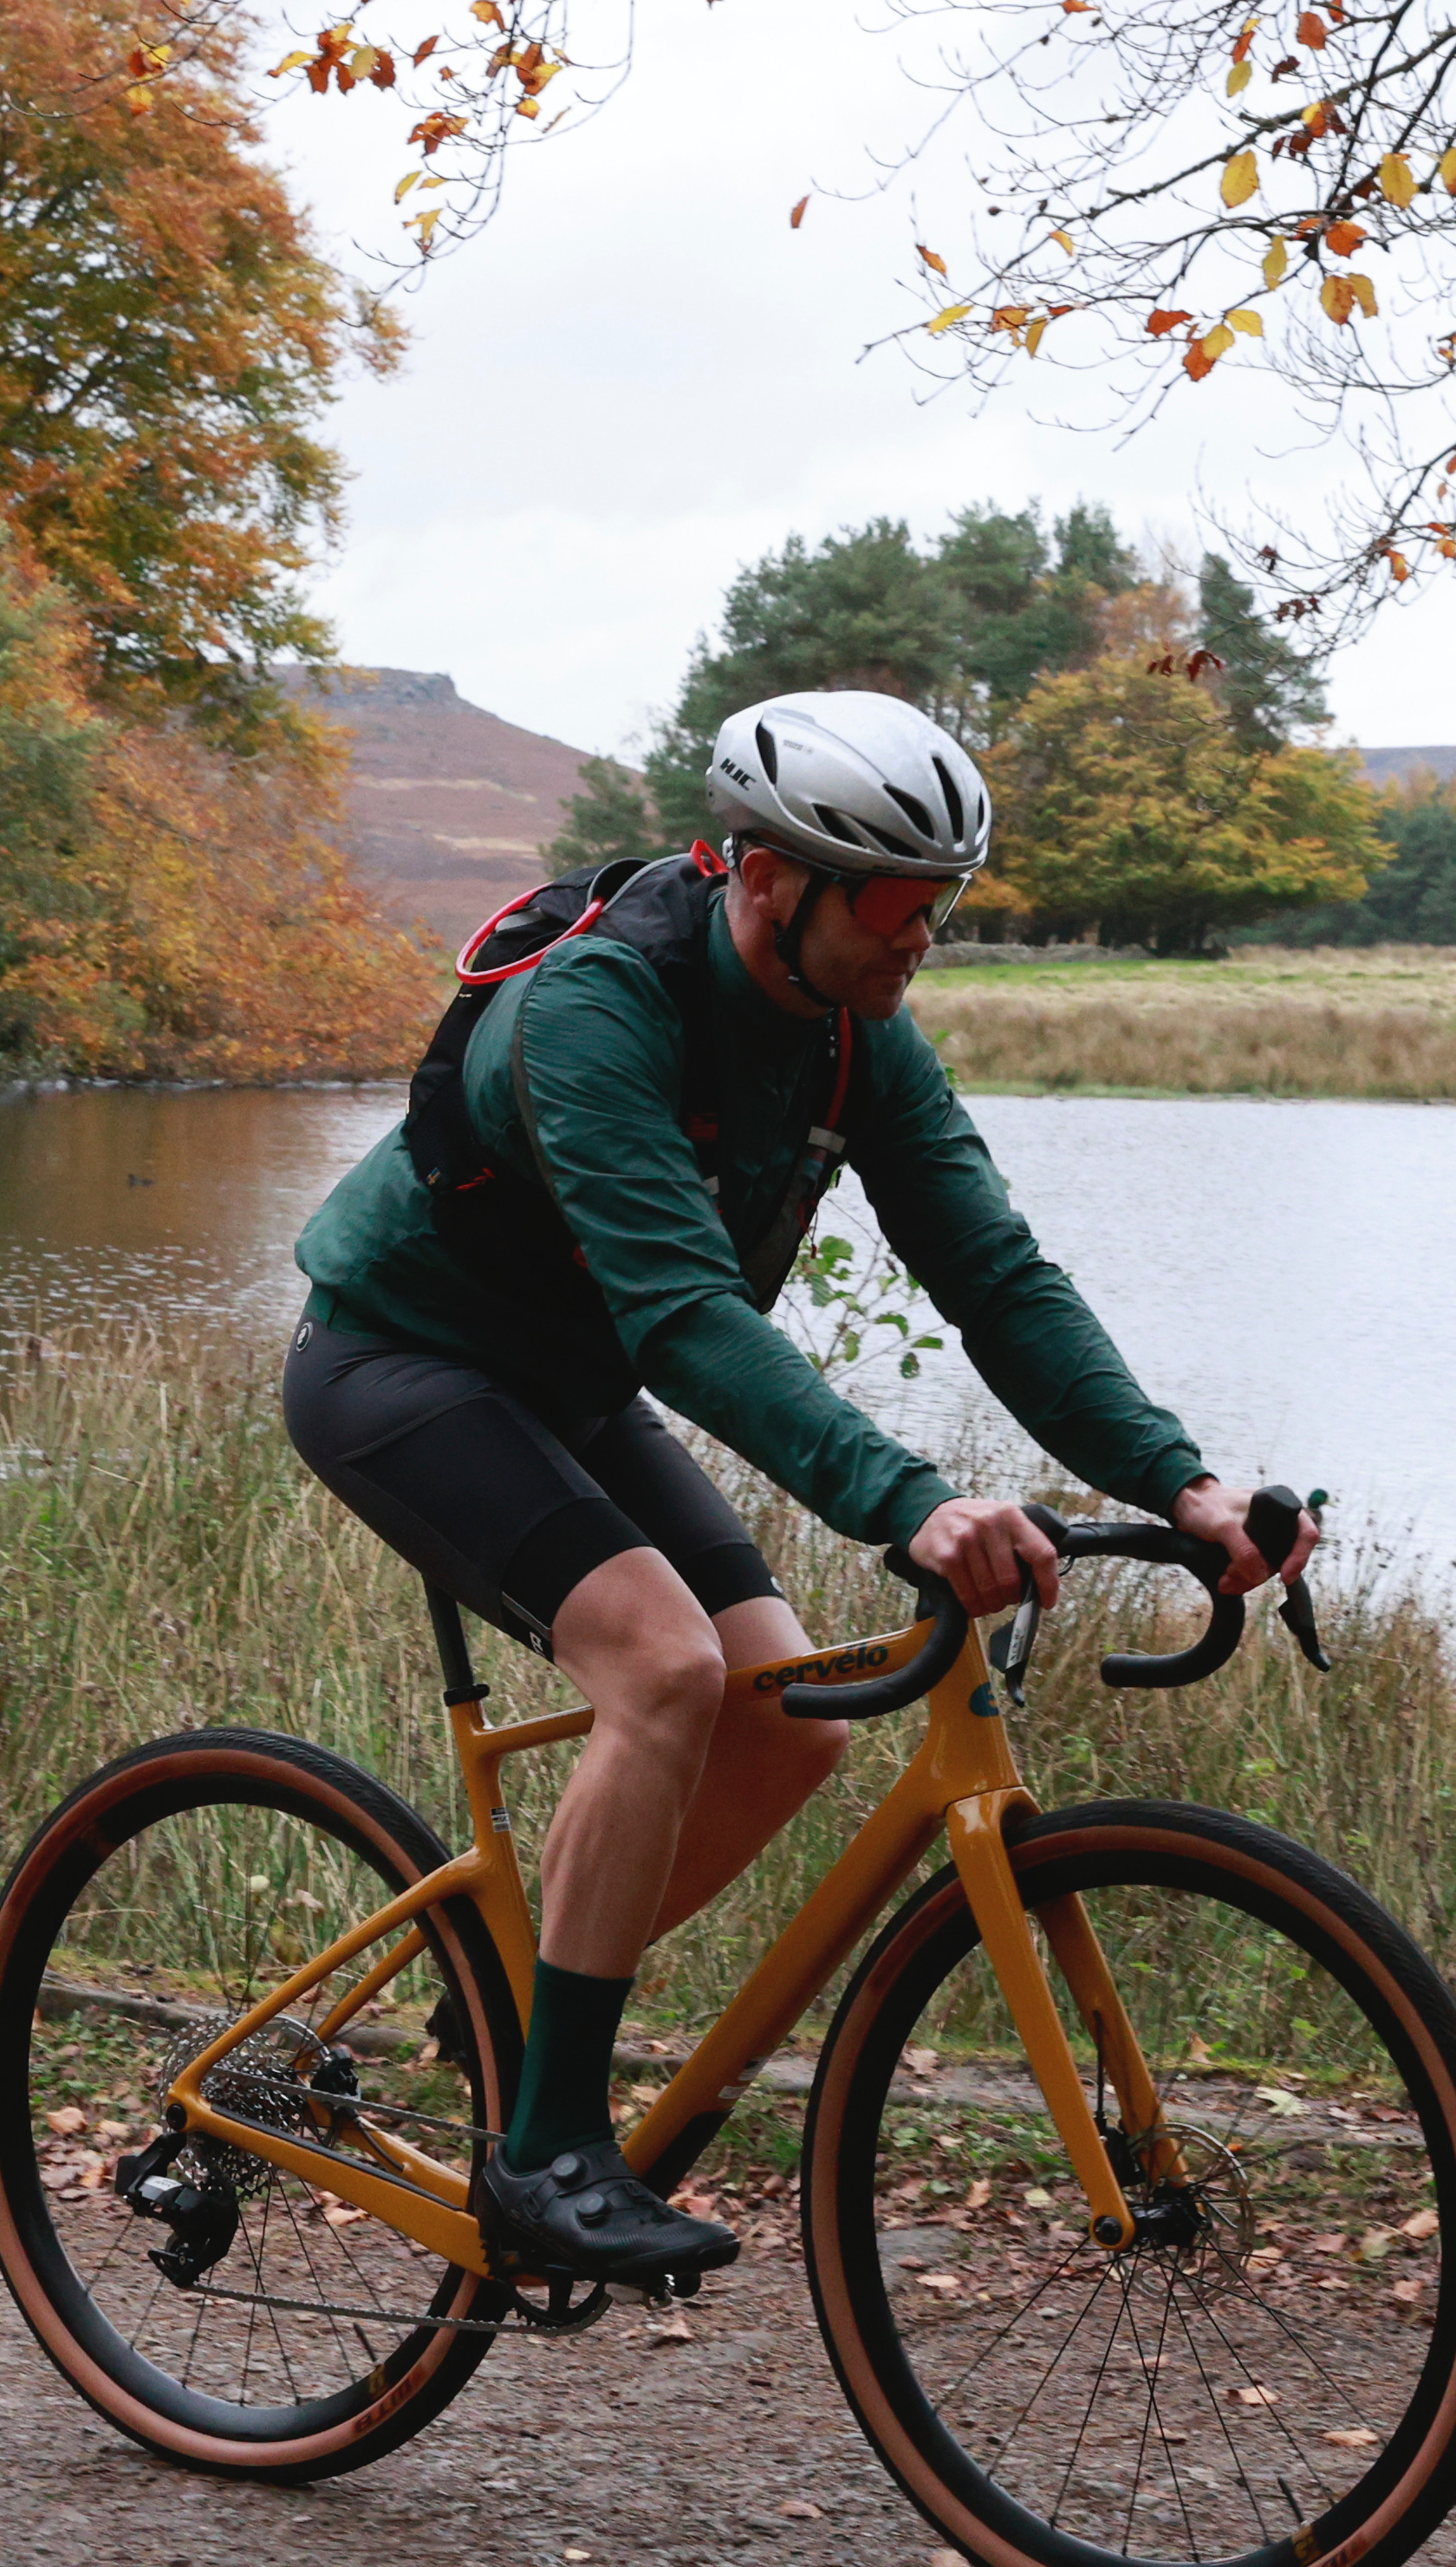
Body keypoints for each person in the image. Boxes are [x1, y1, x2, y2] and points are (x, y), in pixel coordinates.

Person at [284, 687, 1315, 2284]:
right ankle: (548, 2147)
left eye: (945, 906)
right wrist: (908, 1500)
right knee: (665, 1664)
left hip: (562, 1392)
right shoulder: (597, 1011)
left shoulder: (859, 1041)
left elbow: (997, 1278)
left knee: (780, 1703)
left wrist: (1181, 1485)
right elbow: (682, 1317)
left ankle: (507, 2003)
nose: (925, 939)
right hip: (401, 1367)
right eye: (900, 904)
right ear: (769, 876)